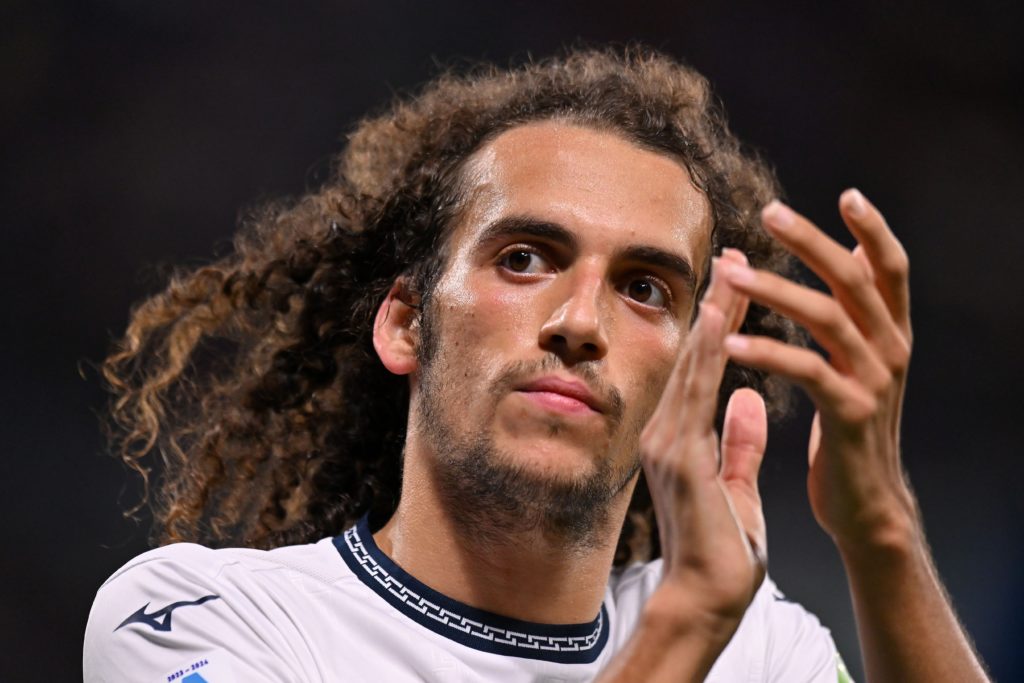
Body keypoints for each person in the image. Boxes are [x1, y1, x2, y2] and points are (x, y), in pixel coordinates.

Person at [84, 47, 988, 682]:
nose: (580, 321)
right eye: (523, 259)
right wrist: (686, 626)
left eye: (645, 288)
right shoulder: (202, 618)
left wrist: (882, 532)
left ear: (693, 374)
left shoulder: (755, 650)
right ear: (405, 323)